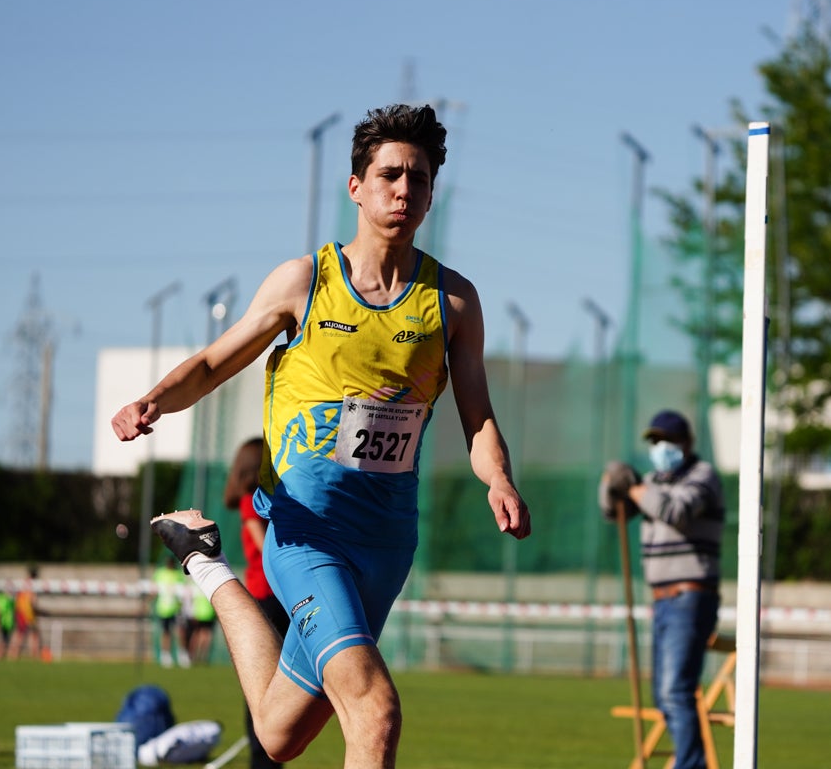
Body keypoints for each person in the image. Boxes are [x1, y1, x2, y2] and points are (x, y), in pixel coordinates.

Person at [112, 103, 531, 769]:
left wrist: (499, 477)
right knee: (375, 709)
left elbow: (477, 415)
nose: (404, 190)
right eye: (389, 175)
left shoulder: (453, 302)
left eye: (419, 179)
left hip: (387, 541)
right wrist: (152, 401)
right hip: (307, 533)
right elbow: (215, 362)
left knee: (279, 736)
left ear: (432, 195)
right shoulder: (306, 281)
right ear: (356, 187)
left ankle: (203, 560)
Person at [599, 410, 724, 769]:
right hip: (663, 600)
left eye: (666, 440)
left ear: (686, 442)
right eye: (654, 441)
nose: (659, 447)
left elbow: (676, 512)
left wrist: (635, 488)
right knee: (663, 695)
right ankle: (690, 761)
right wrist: (610, 484)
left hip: (691, 595)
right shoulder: (653, 482)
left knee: (676, 690)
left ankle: (690, 765)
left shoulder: (703, 477)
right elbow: (614, 511)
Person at [222, 437, 290, 769]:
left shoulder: (259, 499)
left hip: (273, 595)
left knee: (275, 684)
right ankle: (262, 759)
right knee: (264, 686)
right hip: (268, 596)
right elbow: (266, 548)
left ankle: (267, 758)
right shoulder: (252, 501)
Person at [153, 555, 188, 668]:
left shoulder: (178, 575)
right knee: (166, 632)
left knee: (180, 632)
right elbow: (154, 589)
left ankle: (182, 654)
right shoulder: (160, 573)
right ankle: (165, 655)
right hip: (164, 609)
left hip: (176, 609)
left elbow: (182, 592)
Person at [11, 565, 45, 660]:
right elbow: (32, 600)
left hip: (20, 612)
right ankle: (33, 654)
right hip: (28, 612)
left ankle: (14, 653)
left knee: (20, 634)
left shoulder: (23, 583)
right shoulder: (33, 584)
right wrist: (37, 611)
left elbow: (18, 598)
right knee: (33, 634)